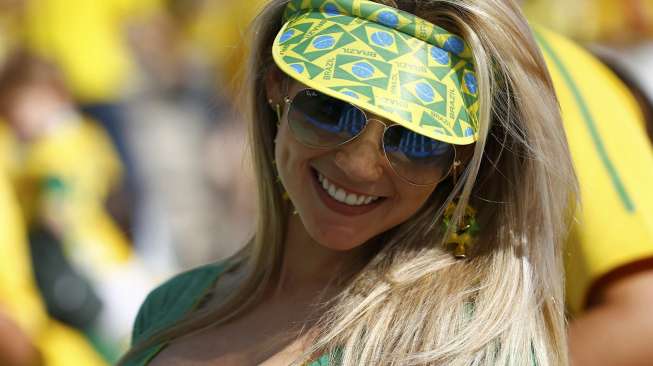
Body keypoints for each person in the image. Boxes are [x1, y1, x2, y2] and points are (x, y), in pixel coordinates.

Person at [121, 0, 577, 365]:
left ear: (461, 160)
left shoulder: (463, 348)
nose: (359, 166)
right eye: (328, 109)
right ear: (276, 85)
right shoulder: (171, 306)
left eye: (416, 141)